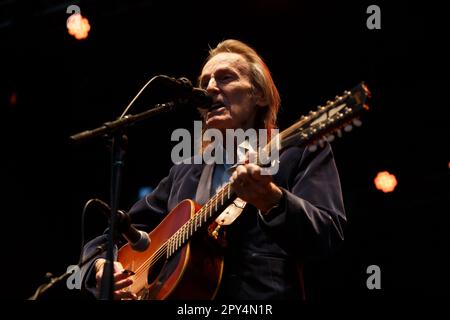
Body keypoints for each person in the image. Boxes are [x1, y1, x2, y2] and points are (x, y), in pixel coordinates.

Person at [80, 39, 346, 300]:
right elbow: (116, 232)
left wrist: (272, 200)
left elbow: (328, 236)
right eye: (204, 82)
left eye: (225, 78)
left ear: (260, 95)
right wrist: (101, 266)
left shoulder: (297, 152)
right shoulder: (185, 172)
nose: (209, 89)